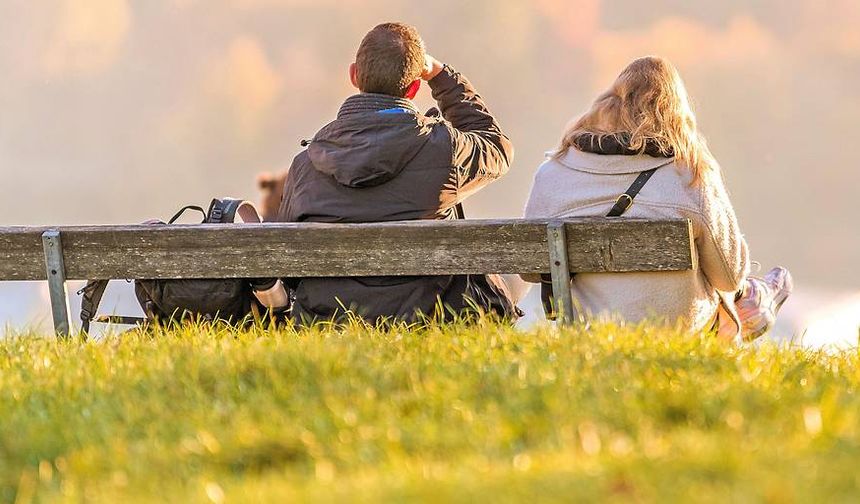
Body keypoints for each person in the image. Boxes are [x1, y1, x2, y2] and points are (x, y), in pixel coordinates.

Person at [523, 56, 792, 342]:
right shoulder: (690, 175)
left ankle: (755, 301)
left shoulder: (554, 172)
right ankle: (755, 302)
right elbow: (729, 276)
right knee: (733, 290)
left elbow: (531, 270)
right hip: (681, 332)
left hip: (590, 332)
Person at [275, 22, 526, 323]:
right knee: (518, 275)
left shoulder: (306, 165)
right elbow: (496, 148)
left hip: (328, 319)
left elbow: (287, 266)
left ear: (354, 75)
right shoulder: (444, 149)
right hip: (430, 317)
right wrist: (441, 75)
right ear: (415, 87)